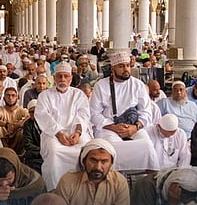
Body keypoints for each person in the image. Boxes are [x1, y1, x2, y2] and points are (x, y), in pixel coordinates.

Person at [90, 51, 158, 172]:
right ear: (113, 68)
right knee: (111, 148)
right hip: (108, 127)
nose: (125, 69)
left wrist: (135, 128)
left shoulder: (138, 85)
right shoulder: (101, 86)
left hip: (133, 127)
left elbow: (146, 112)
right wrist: (114, 127)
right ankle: (114, 181)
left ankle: (149, 181)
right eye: (121, 66)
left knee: (147, 146)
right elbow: (94, 114)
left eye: (127, 65)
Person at [35, 61, 93, 191]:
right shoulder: (45, 96)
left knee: (86, 150)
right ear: (54, 78)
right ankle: (55, 189)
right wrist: (59, 133)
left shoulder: (78, 94)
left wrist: (77, 133)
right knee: (54, 152)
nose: (62, 79)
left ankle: (83, 187)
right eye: (59, 76)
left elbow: (83, 114)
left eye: (66, 76)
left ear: (71, 78)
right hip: (53, 133)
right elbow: (43, 116)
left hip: (76, 132)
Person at [54, 139, 129, 205]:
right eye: (93, 160)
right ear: (84, 161)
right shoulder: (67, 182)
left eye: (104, 161)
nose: (98, 167)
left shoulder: (119, 182)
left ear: (111, 164)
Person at [131, 166, 197, 205]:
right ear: (175, 187)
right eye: (185, 197)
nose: (186, 201)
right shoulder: (145, 187)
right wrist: (172, 203)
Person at [0, 87, 29, 156]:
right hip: (3, 139)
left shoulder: (21, 110)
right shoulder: (0, 110)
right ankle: (6, 152)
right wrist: (6, 124)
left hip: (17, 139)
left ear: (17, 98)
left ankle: (17, 155)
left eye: (13, 95)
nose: (10, 98)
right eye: (8, 95)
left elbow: (30, 116)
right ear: (4, 98)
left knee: (24, 129)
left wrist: (18, 124)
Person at [22, 100, 42, 174]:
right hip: (36, 151)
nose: (34, 114)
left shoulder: (47, 122)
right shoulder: (27, 124)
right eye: (31, 112)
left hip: (48, 150)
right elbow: (27, 143)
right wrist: (41, 150)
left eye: (36, 111)